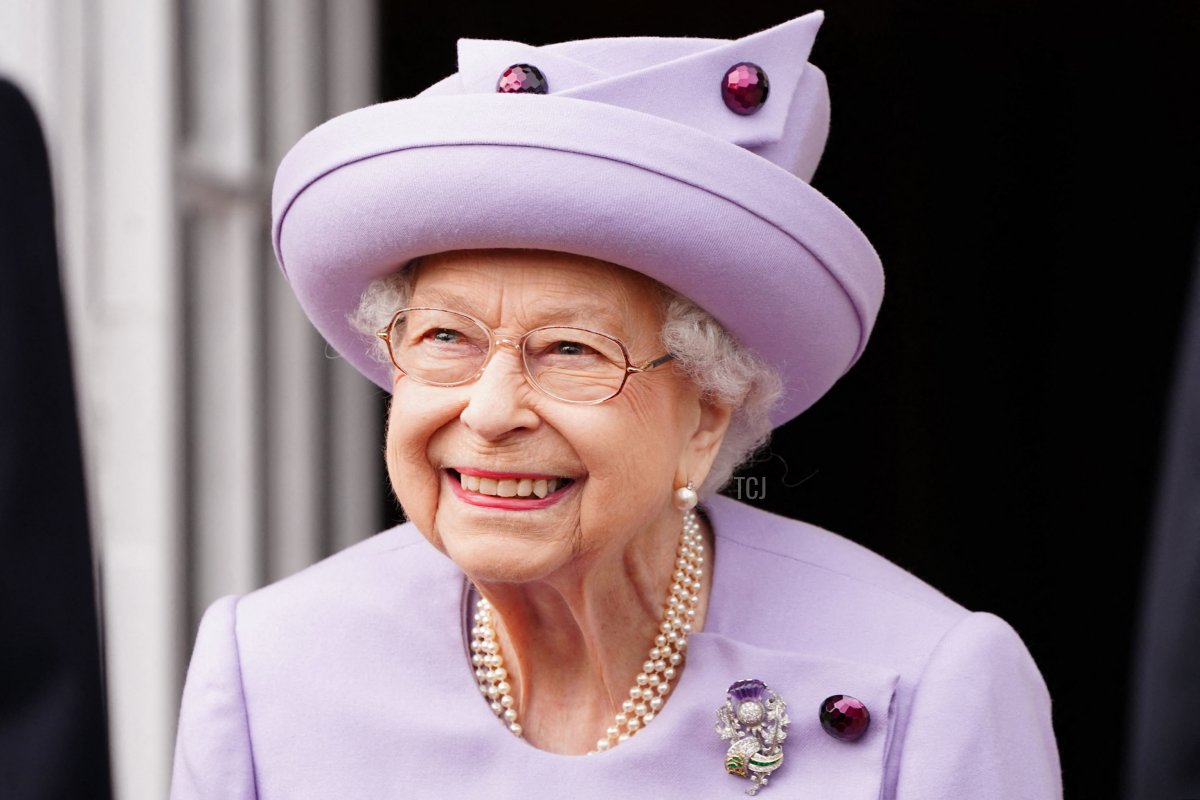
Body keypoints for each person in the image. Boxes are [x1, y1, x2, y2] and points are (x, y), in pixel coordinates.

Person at [171, 12, 1061, 798]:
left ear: (709, 410)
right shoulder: (268, 667)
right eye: (445, 338)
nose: (489, 412)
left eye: (571, 351)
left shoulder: (933, 680)